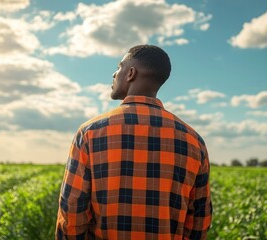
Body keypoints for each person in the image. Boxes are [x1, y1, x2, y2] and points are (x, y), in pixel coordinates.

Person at [56, 45, 212, 239]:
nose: (114, 74)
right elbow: (199, 220)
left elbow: (72, 213)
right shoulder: (194, 141)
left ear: (131, 73)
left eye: (119, 67)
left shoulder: (90, 133)